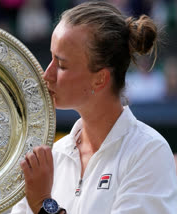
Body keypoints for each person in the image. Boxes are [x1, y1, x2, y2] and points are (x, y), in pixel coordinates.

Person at [11, 1, 177, 214]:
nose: (47, 75)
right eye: (51, 59)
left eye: (61, 65)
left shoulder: (149, 152)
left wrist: (44, 205)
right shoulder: (52, 156)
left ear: (99, 79)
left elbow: (41, 204)